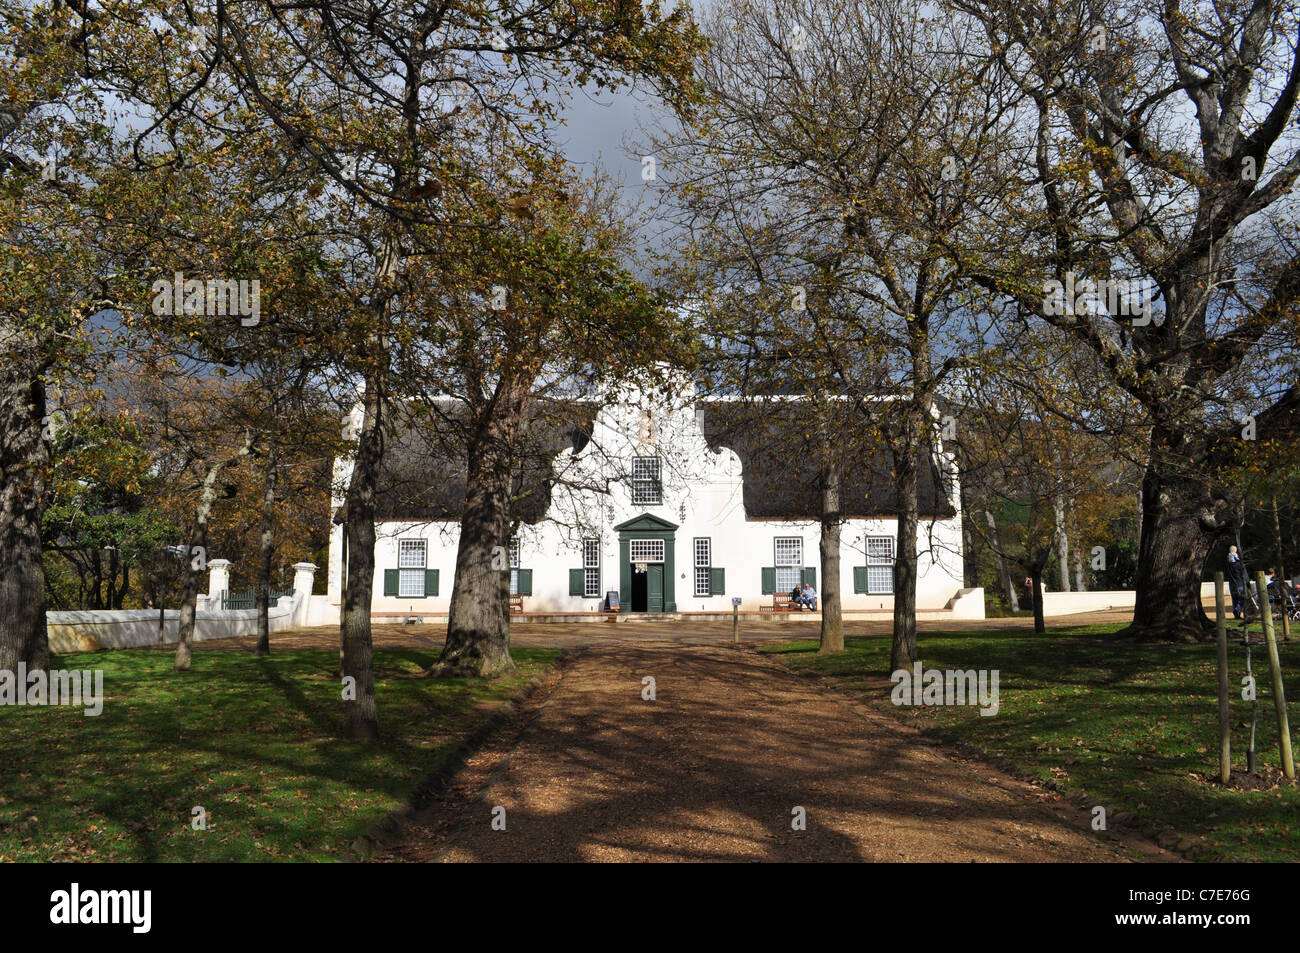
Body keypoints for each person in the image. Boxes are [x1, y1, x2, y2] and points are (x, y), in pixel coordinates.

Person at [1227, 545, 1247, 619]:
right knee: (1243, 598)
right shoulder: (1239, 564)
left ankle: (1237, 615)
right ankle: (1237, 609)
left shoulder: (1228, 564)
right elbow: (1244, 575)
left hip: (1232, 584)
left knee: (1234, 599)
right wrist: (1247, 583)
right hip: (1239, 584)